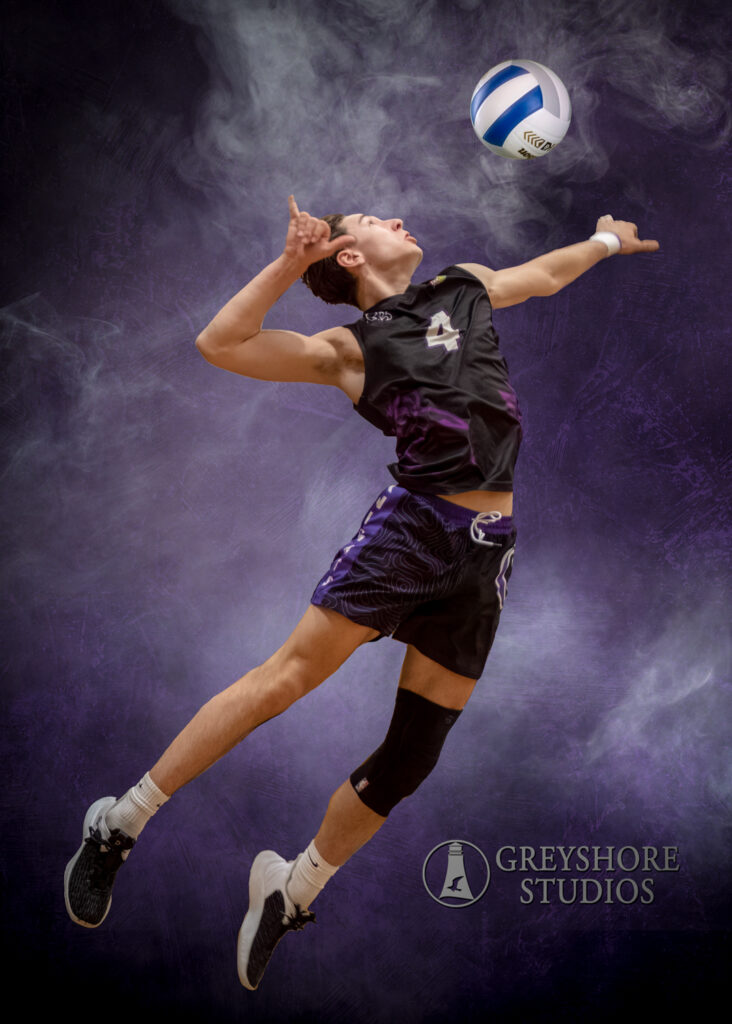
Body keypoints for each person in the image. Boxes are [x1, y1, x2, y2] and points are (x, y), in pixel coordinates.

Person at [64, 197, 659, 989]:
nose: (401, 217)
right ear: (349, 253)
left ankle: (292, 888)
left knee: (413, 755)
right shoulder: (347, 349)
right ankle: (119, 822)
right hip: (413, 532)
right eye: (378, 217)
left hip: (488, 553)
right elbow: (220, 343)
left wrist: (601, 241)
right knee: (286, 681)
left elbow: (544, 276)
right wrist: (287, 262)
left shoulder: (463, 285)